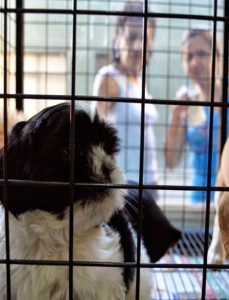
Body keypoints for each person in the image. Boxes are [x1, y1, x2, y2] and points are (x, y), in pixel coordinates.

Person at [92, 1, 159, 199]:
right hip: (123, 186)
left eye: (144, 39)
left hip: (149, 182)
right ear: (117, 40)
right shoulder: (109, 78)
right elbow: (94, 139)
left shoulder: (139, 82)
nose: (138, 46)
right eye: (131, 38)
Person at [164, 28, 222, 204]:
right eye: (188, 57)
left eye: (202, 54)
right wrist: (176, 117)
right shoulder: (186, 102)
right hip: (200, 194)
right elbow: (171, 162)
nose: (194, 62)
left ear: (217, 58)